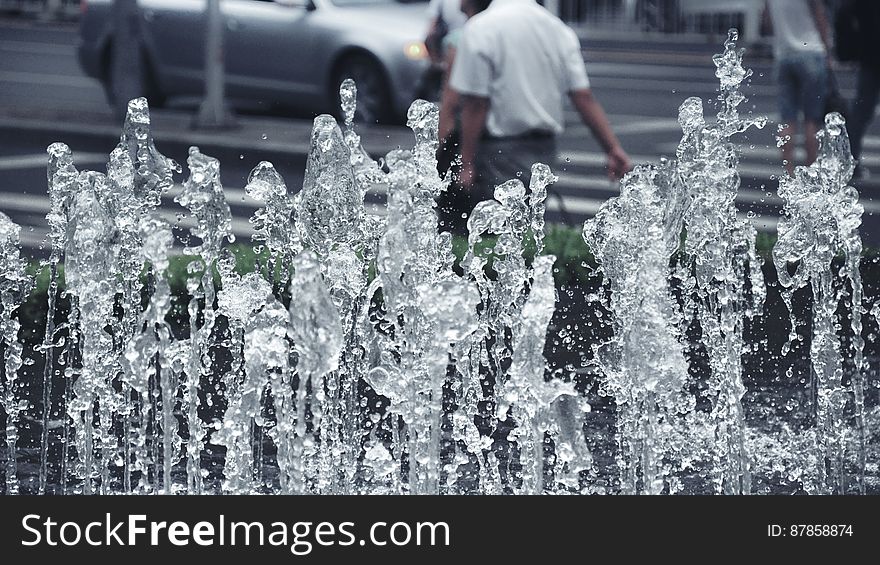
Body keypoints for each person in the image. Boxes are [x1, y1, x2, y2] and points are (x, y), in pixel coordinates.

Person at [447, 0, 632, 210]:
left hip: (498, 150)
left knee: (496, 227)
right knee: (531, 224)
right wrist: (612, 148)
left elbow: (475, 103)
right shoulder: (558, 29)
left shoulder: (481, 27)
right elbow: (582, 96)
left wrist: (467, 161)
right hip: (545, 149)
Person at [764, 0, 833, 175]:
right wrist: (828, 52)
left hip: (783, 55)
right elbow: (820, 16)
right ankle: (810, 171)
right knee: (812, 119)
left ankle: (788, 172)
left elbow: (766, 22)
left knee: (787, 119)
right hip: (811, 52)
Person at [842, 0, 880, 179]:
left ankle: (851, 162)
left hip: (869, 58)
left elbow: (848, 15)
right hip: (870, 57)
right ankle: (852, 162)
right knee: (861, 113)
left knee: (861, 112)